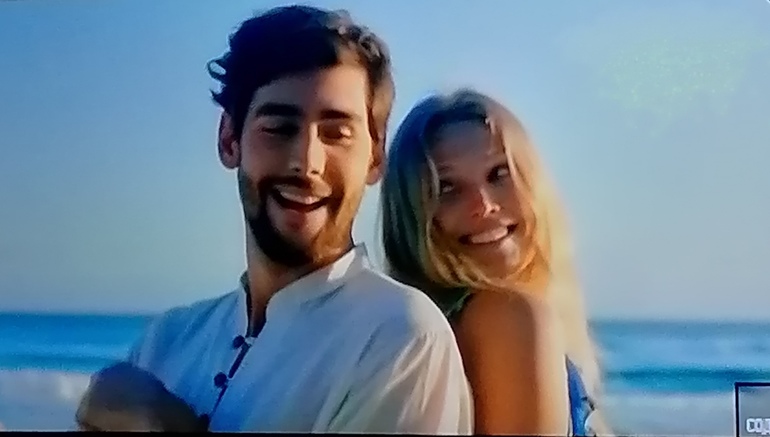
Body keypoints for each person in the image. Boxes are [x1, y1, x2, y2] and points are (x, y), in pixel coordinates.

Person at [92, 6, 473, 433]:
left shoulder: (399, 337)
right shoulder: (166, 342)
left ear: (375, 156)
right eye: (279, 128)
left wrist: (161, 420)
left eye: (337, 133)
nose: (306, 163)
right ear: (229, 140)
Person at [379, 88, 613, 436]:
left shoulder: (416, 328)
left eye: (499, 174)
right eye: (447, 188)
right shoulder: (510, 316)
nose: (484, 205)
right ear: (413, 216)